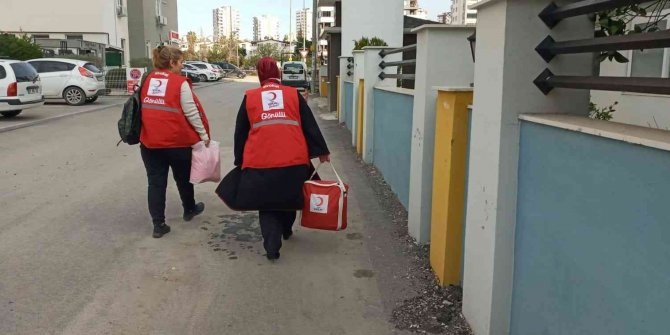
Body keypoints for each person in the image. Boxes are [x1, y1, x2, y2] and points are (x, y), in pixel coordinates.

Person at [233, 57, 330, 261]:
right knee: (289, 198)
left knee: (267, 204)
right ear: (278, 73)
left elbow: (240, 132)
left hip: (260, 163)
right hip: (294, 161)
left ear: (259, 74)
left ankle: (271, 247)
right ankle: (286, 229)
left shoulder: (250, 97)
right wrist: (322, 151)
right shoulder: (293, 95)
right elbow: (309, 125)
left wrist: (239, 159)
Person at [139, 45, 211, 238]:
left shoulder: (147, 79)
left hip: (150, 143)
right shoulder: (180, 83)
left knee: (155, 183)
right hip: (177, 142)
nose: (182, 65)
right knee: (183, 178)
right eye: (180, 62)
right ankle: (189, 209)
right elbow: (191, 112)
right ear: (171, 63)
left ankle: (158, 224)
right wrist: (203, 135)